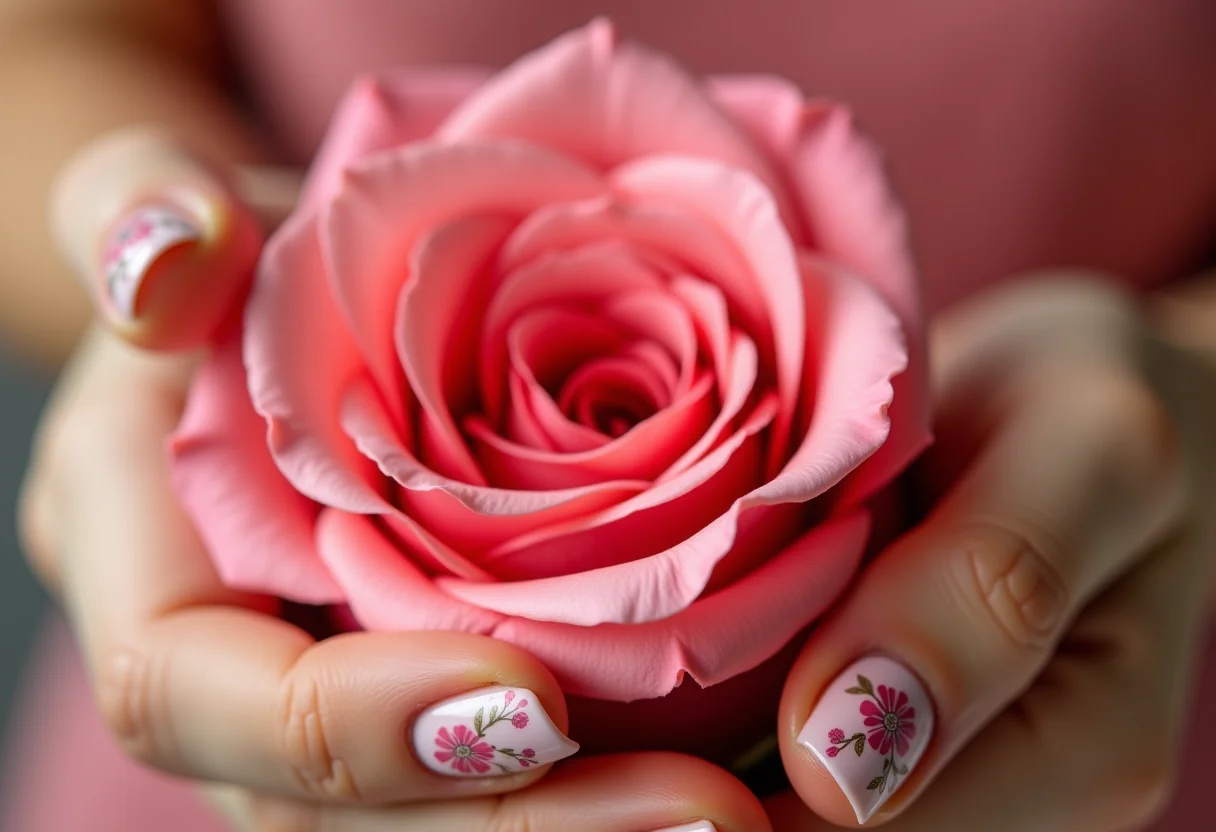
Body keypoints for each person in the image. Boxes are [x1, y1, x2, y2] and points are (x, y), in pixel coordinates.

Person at [2, 1, 1215, 829]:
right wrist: (195, 291)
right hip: (243, 732)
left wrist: (1194, 381)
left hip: (1085, 695)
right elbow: (46, 43)